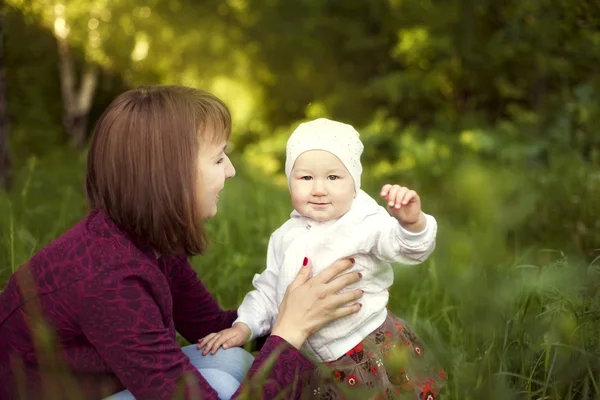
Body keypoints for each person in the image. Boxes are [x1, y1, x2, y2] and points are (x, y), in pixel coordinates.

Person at [0, 87, 365, 400]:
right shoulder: (109, 280)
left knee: (230, 358)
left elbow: (214, 327)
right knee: (221, 383)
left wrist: (300, 312)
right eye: (219, 158)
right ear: (171, 175)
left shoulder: (148, 239)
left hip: (99, 386)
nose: (231, 170)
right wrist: (290, 331)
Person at [198, 118, 446, 399]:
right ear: (290, 180)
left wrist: (412, 226)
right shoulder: (285, 236)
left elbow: (405, 248)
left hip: (365, 345)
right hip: (316, 359)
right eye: (305, 177)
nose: (318, 189)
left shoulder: (363, 220)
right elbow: (270, 291)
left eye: (333, 177)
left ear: (354, 183)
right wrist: (245, 325)